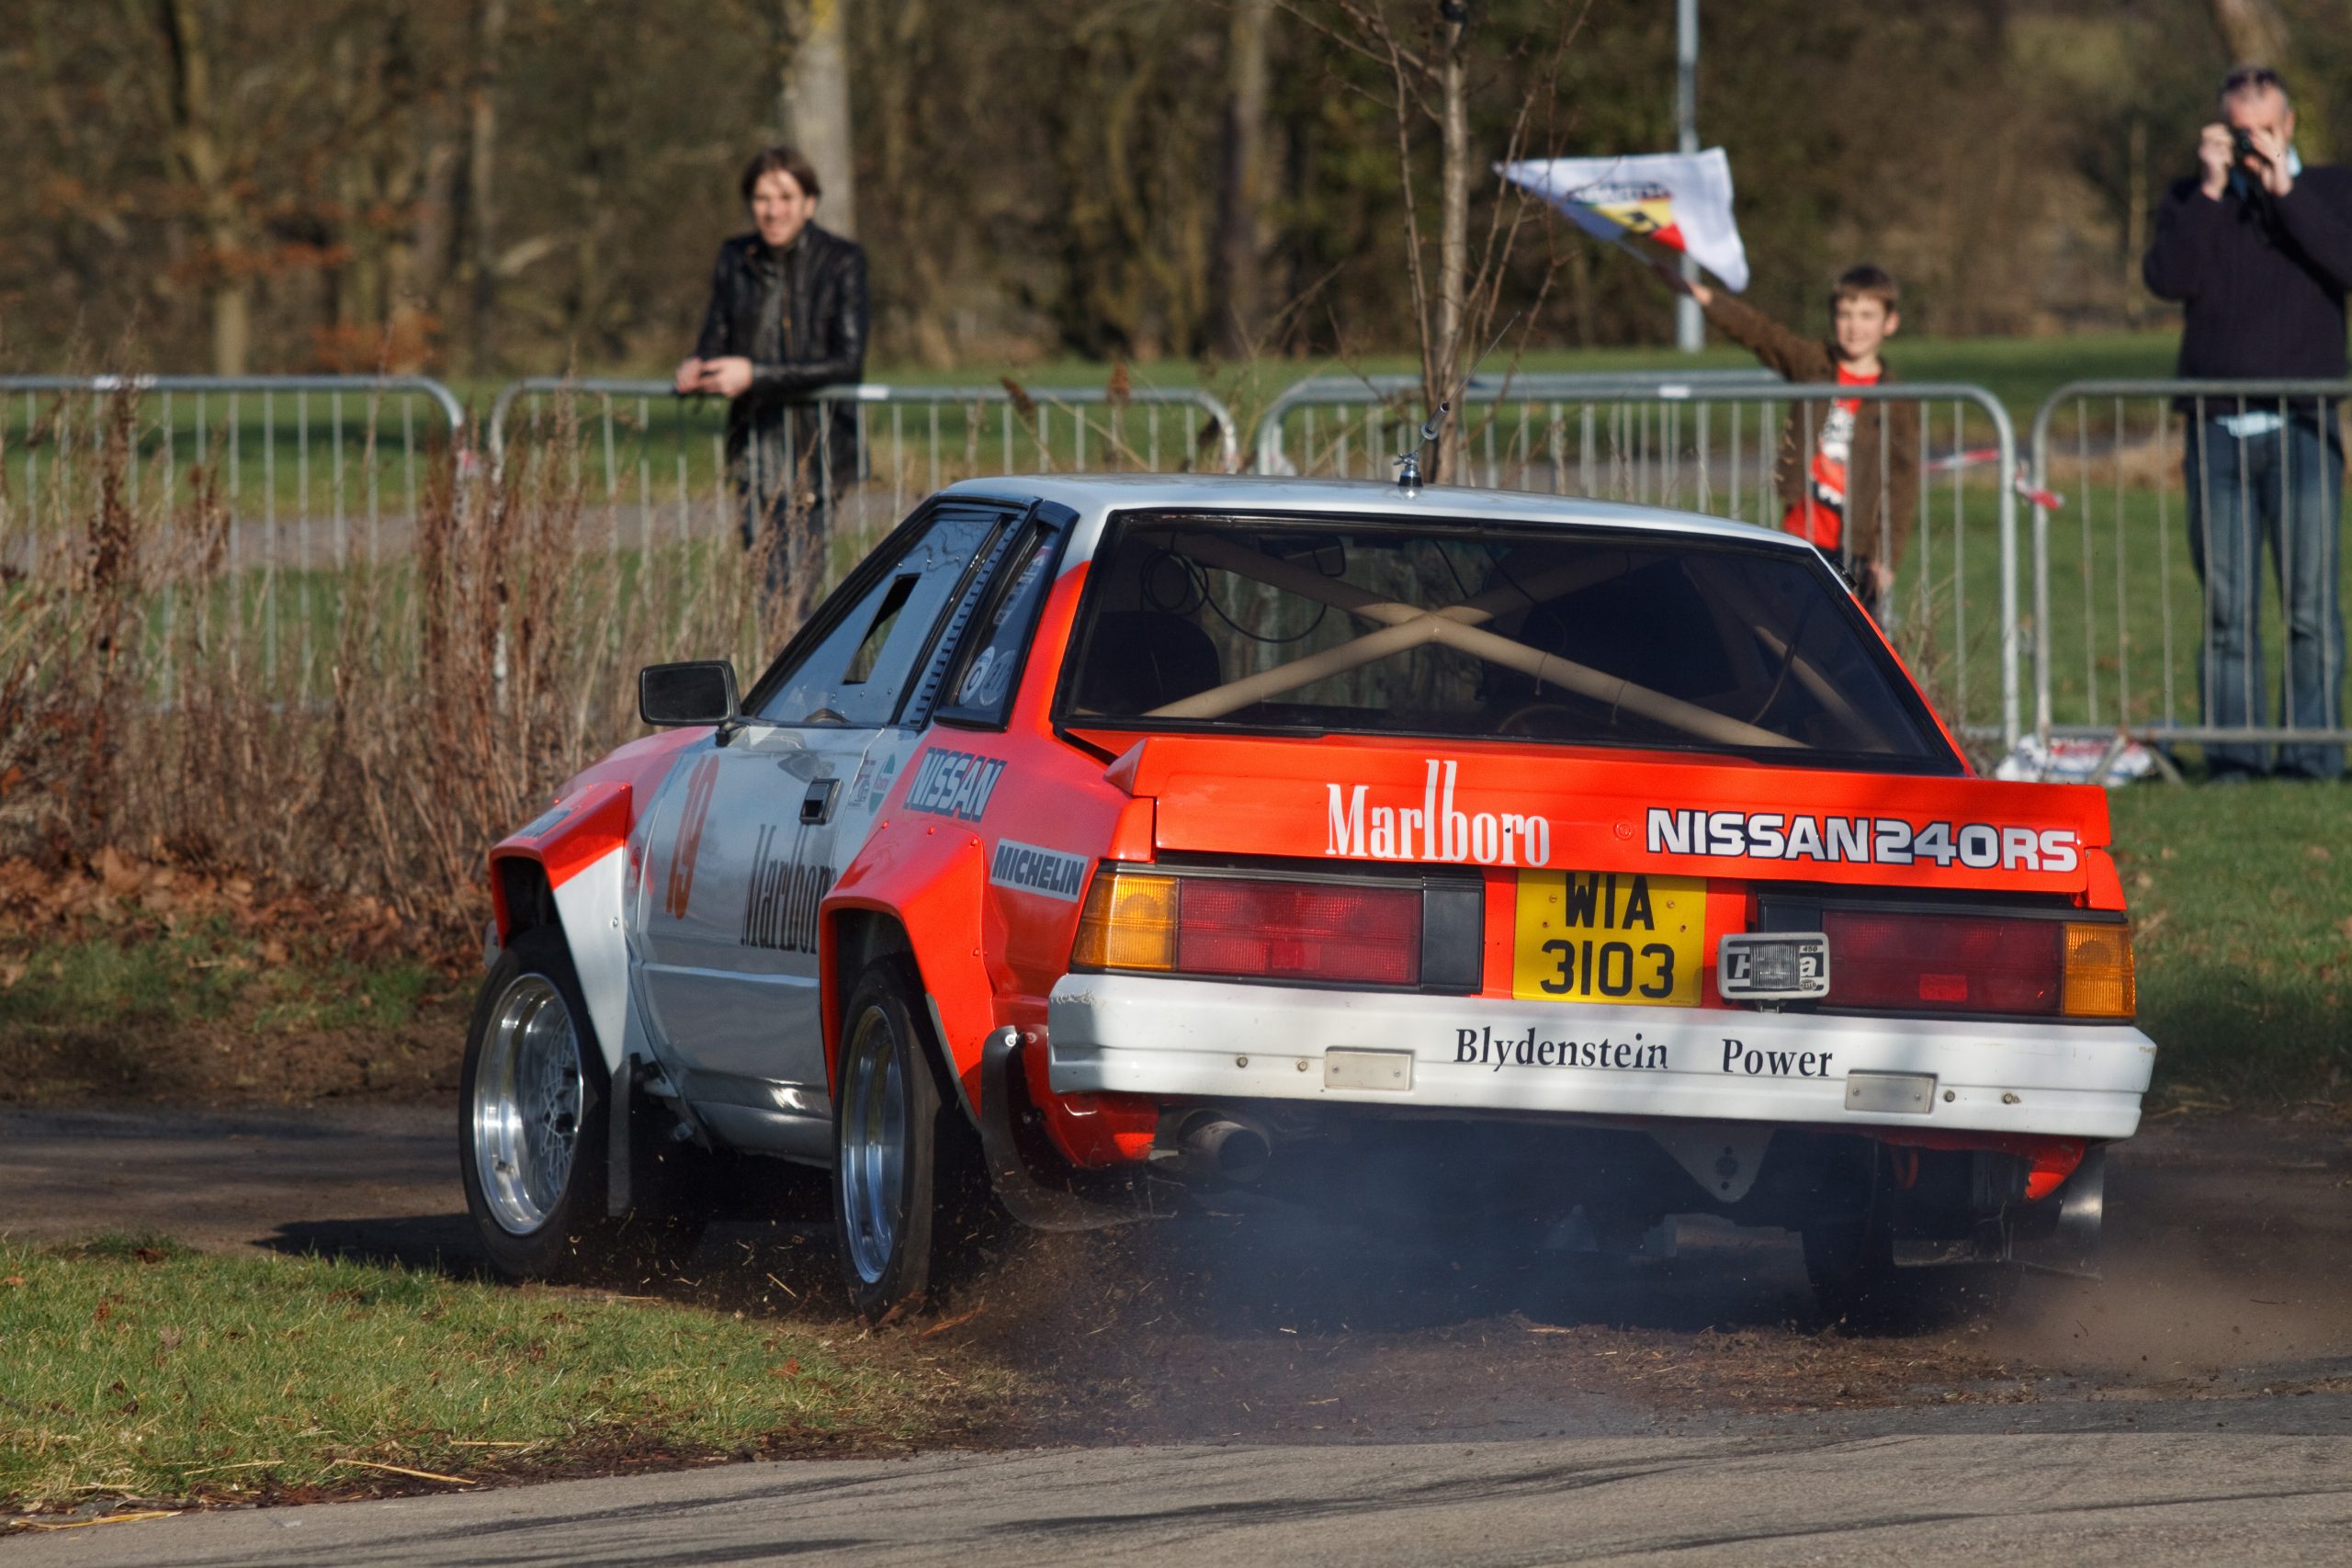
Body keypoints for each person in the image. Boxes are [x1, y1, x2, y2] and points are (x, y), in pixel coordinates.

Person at [2143, 66, 2352, 782]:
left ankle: (2313, 757)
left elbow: (2344, 261)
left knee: (2310, 605)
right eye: (2238, 128)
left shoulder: (2329, 190)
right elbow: (2168, 278)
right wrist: (2208, 188)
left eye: (2262, 127)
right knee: (2228, 609)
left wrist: (2284, 190)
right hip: (2216, 429)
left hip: (2303, 428)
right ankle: (2234, 756)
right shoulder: (2192, 199)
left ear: (2288, 124)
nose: (2250, 141)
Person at [1649, 258, 1920, 622]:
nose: (1854, 326)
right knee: (1784, 630)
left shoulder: (1898, 398)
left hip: (1856, 545)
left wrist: (1886, 558)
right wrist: (1699, 295)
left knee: (1849, 641)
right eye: (1845, 314)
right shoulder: (1812, 364)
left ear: (1890, 322)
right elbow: (1760, 332)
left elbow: (1902, 484)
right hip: (1802, 533)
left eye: (1867, 315)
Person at [676, 145, 870, 605]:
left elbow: (848, 361)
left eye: (785, 196)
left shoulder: (842, 260)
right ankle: (773, 673)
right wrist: (696, 364)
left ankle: (815, 678)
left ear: (810, 202)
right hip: (755, 448)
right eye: (762, 198)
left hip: (816, 449)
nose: (773, 210)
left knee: (804, 597)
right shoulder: (734, 257)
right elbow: (715, 335)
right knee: (767, 595)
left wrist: (755, 375)